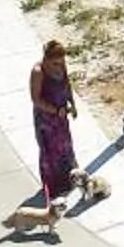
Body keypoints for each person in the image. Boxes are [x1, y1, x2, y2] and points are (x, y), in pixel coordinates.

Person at [25, 40, 84, 228]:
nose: (59, 66)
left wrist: (72, 104)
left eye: (61, 62)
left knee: (65, 146)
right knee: (50, 151)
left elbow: (66, 84)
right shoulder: (38, 72)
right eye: (56, 63)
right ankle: (53, 187)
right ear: (47, 58)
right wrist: (54, 110)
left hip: (61, 115)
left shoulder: (62, 65)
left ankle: (69, 179)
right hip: (46, 119)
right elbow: (36, 99)